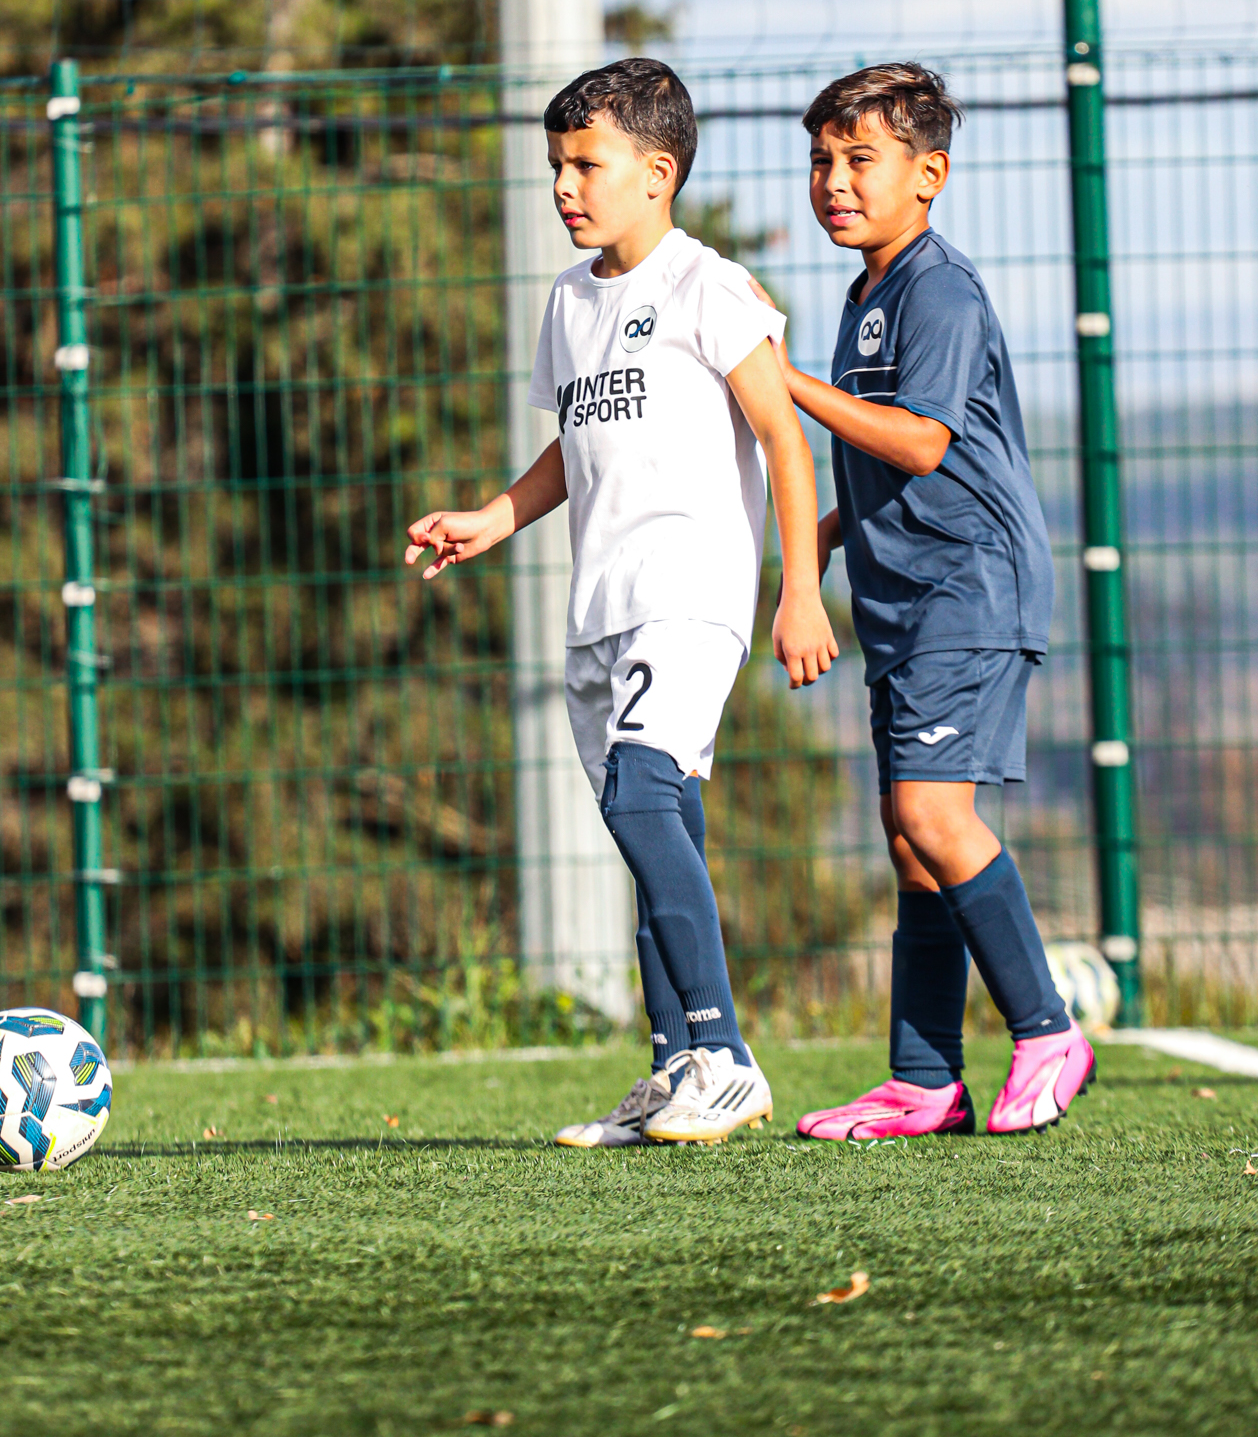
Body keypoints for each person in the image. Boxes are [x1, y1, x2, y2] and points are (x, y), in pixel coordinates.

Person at [407, 58, 837, 1146]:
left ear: (659, 171)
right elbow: (575, 444)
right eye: (556, 165)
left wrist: (798, 589)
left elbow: (786, 435)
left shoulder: (710, 286)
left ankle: (724, 1054)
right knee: (656, 826)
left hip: (692, 594)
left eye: (585, 163)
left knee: (645, 798)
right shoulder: (568, 300)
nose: (564, 185)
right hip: (598, 608)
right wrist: (495, 517)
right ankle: (673, 1067)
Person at [760, 62, 1094, 1138]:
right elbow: (875, 475)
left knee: (931, 815)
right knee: (909, 841)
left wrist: (786, 385)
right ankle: (922, 1077)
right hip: (903, 598)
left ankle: (1047, 1029)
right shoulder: (866, 294)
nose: (834, 181)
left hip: (969, 585)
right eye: (821, 160)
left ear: (929, 172)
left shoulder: (938, 289)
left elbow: (918, 440)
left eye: (861, 159)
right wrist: (800, 562)